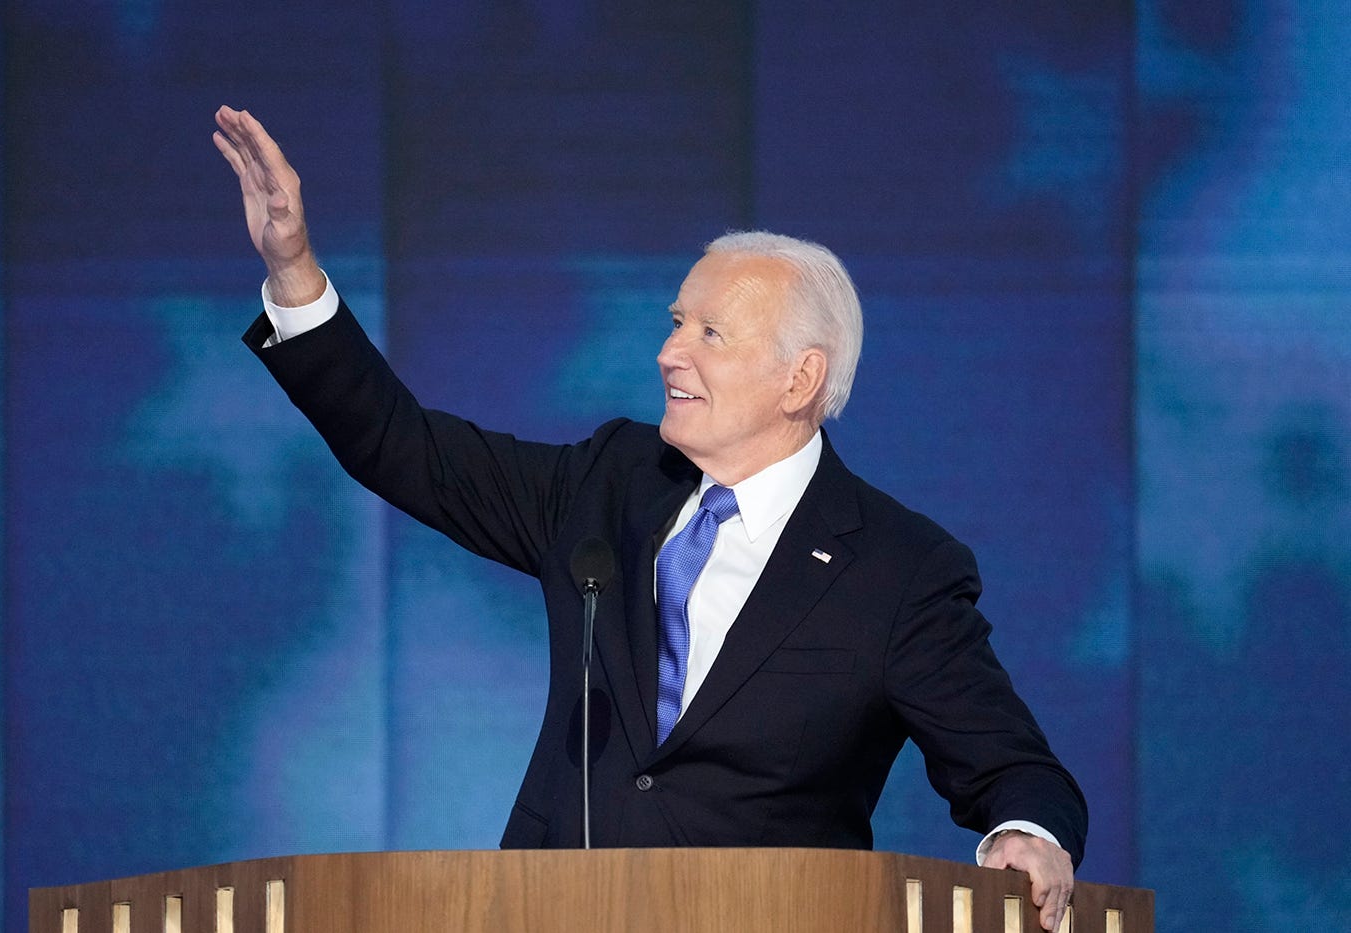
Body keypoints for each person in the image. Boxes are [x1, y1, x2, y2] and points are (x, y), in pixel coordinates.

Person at [214, 105, 1087, 931]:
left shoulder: (897, 570)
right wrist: (294, 270)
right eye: (676, 322)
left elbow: (1016, 770)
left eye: (712, 333)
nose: (670, 350)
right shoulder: (612, 482)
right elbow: (401, 447)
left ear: (800, 379)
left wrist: (1027, 836)